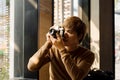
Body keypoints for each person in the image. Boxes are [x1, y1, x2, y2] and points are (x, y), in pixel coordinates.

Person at [27, 16, 95, 80]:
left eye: (69, 32)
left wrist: (62, 50)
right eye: (63, 31)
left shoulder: (88, 55)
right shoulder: (54, 49)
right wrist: (47, 44)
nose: (64, 34)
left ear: (79, 36)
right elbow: (31, 67)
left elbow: (76, 77)